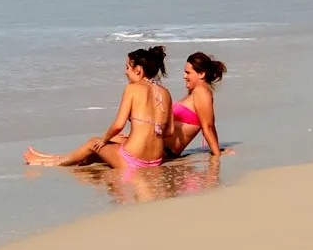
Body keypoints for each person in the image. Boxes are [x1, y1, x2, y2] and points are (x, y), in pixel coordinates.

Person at [24, 46, 172, 170]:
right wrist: (139, 134)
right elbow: (169, 131)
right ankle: (59, 158)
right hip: (155, 160)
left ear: (138, 70)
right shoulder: (165, 93)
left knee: (93, 142)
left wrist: (104, 139)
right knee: (112, 142)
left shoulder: (133, 88)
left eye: (127, 67)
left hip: (133, 160)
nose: (125, 72)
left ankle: (54, 161)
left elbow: (118, 125)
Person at [164, 52, 226, 159]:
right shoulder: (195, 92)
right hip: (161, 148)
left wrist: (217, 157)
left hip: (165, 151)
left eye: (188, 73)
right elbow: (210, 124)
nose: (184, 76)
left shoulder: (202, 92)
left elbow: (208, 126)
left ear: (201, 74)